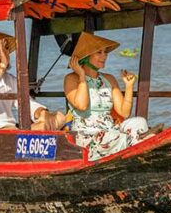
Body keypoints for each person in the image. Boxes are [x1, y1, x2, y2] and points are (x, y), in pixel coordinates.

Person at [63, 32, 154, 160]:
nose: (104, 56)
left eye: (105, 52)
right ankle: (146, 143)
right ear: (86, 56)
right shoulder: (71, 79)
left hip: (111, 130)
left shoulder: (109, 79)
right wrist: (82, 76)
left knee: (140, 122)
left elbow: (124, 112)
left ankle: (142, 143)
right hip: (88, 136)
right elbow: (82, 105)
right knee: (120, 137)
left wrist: (129, 86)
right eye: (99, 52)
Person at [0, 28, 65, 130]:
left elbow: (27, 103)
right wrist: (2, 65)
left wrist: (42, 112)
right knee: (18, 131)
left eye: (5, 47)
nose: (4, 52)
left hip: (10, 130)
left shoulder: (9, 79)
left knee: (59, 117)